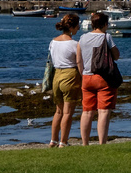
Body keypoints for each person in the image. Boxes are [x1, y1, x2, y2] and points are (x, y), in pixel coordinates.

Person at [79, 11, 120, 145]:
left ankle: (85, 143)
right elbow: (116, 55)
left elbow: (79, 59)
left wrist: (83, 74)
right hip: (103, 77)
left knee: (87, 112)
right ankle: (102, 143)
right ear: (104, 24)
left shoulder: (83, 38)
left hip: (86, 76)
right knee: (103, 112)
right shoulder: (106, 37)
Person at [47, 13, 83, 147]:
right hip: (70, 76)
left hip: (57, 76)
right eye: (77, 26)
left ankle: (53, 140)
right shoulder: (75, 44)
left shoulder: (53, 42)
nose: (78, 28)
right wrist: (83, 78)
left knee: (58, 111)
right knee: (68, 112)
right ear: (72, 27)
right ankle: (63, 141)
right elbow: (79, 63)